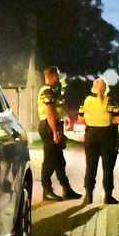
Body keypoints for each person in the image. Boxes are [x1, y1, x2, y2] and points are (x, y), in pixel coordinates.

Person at [37, 66, 81, 201]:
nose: (58, 78)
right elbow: (50, 113)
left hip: (53, 126)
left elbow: (57, 110)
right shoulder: (47, 92)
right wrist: (55, 132)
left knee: (59, 161)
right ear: (51, 76)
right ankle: (47, 190)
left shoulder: (53, 91)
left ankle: (67, 189)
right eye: (57, 75)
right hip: (49, 127)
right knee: (50, 160)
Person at [79, 77, 119, 205]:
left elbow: (80, 119)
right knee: (108, 167)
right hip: (107, 136)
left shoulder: (86, 101)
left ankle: (88, 195)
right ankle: (108, 196)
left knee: (90, 166)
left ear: (93, 87)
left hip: (91, 135)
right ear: (106, 88)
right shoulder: (110, 102)